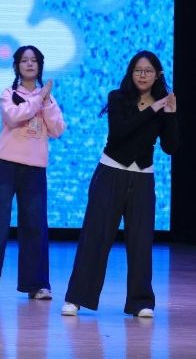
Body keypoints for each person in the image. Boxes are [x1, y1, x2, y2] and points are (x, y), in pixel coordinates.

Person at [62, 51, 178, 318]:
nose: (142, 75)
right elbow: (119, 133)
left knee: (141, 242)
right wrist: (152, 110)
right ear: (131, 72)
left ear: (157, 75)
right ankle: (77, 298)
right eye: (138, 70)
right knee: (96, 237)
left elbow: (171, 147)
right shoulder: (118, 98)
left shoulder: (163, 105)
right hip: (111, 173)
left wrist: (170, 115)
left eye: (148, 71)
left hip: (143, 177)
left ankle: (141, 302)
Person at [0, 45, 64, 300]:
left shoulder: (47, 98)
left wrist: (46, 101)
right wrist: (38, 100)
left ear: (40, 66)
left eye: (34, 60)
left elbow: (58, 129)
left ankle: (37, 284)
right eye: (24, 60)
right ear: (16, 66)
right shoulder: (9, 94)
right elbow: (13, 117)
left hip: (35, 169)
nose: (29, 64)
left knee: (35, 225)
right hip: (4, 166)